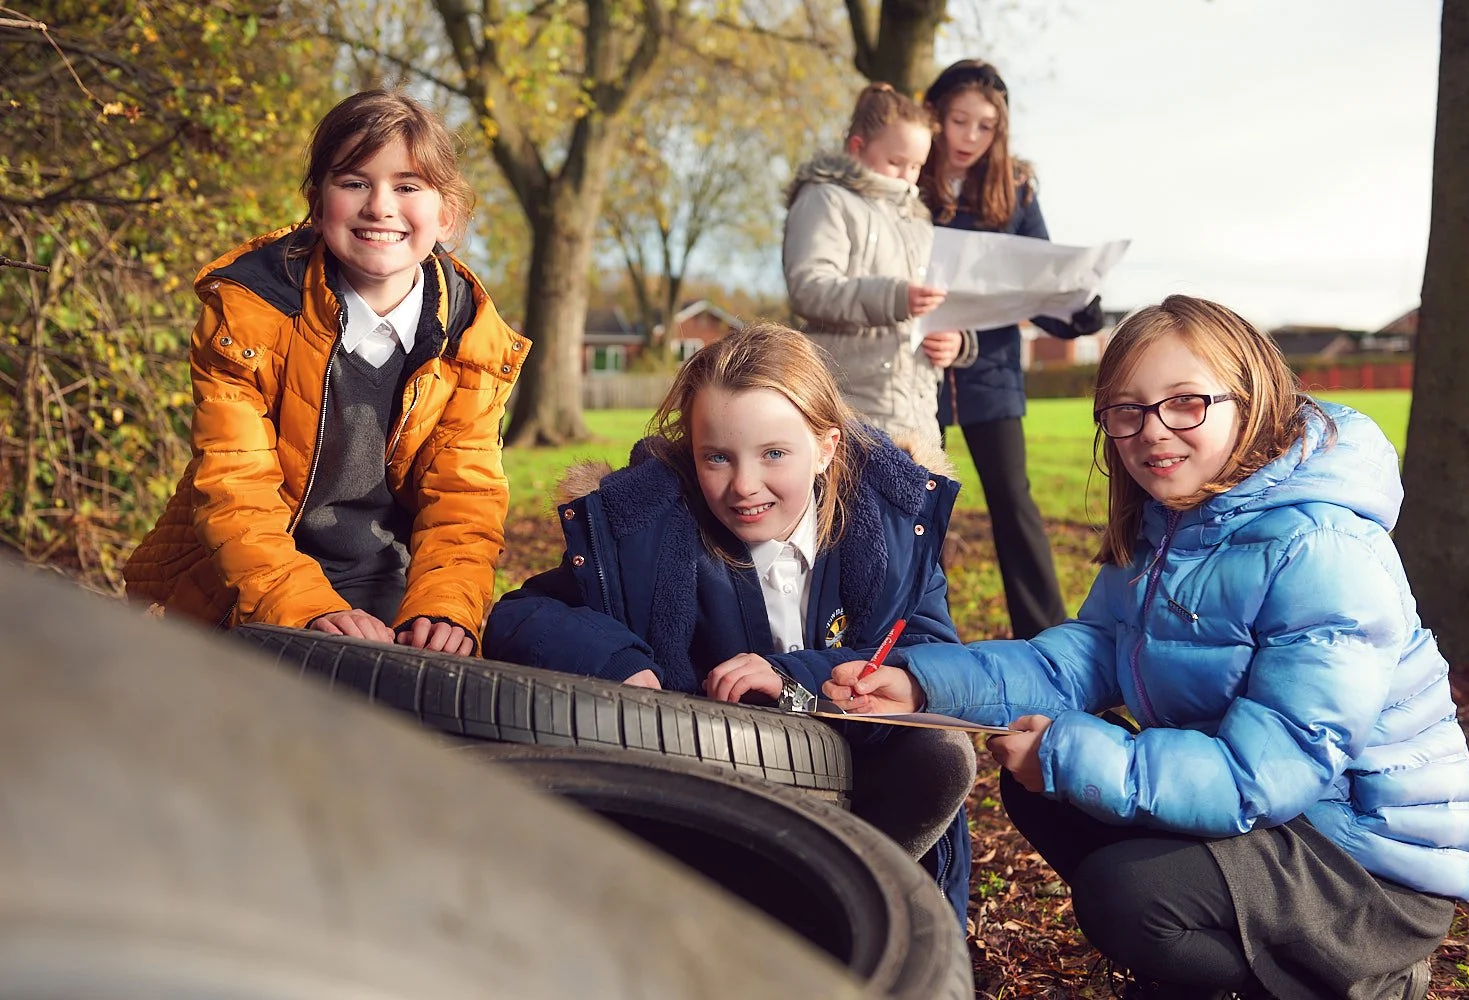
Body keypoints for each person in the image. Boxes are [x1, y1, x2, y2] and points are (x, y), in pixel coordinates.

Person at [824, 295, 1469, 999]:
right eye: (1127, 411)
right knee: (1039, 787)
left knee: (1125, 894)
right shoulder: (1168, 526)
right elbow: (1087, 656)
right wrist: (922, 685)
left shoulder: (1322, 549)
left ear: (1251, 402)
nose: (1152, 431)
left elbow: (1267, 774)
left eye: (1186, 403)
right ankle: (1221, 957)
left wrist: (1070, 753)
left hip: (1361, 864)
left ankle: (1342, 978)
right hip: (1274, 820)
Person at [483, 323, 976, 920]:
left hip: (858, 776)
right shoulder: (648, 530)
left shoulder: (892, 525)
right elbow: (519, 614)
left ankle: (857, 916)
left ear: (825, 447)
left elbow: (927, 653)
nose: (744, 486)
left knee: (941, 753)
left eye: (774, 454)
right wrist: (622, 663)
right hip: (722, 788)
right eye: (717, 457)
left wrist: (791, 676)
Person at [125, 89, 529, 656]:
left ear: (447, 215)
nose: (380, 206)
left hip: (386, 581)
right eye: (355, 182)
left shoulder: (471, 341)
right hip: (245, 578)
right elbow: (235, 489)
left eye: (408, 186)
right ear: (317, 204)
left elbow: (463, 501)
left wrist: (445, 607)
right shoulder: (249, 313)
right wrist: (307, 606)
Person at [918, 59, 1106, 639]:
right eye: (960, 121)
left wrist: (1079, 304)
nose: (971, 138)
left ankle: (1046, 638)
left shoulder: (1015, 189)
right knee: (919, 509)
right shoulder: (906, 182)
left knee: (1012, 500)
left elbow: (1039, 278)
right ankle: (920, 632)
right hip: (916, 372)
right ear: (934, 117)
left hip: (991, 372)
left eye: (986, 126)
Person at [782, 82, 968, 452]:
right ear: (857, 148)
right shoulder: (826, 199)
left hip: (918, 415)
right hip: (851, 410)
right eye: (896, 163)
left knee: (919, 510)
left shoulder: (919, 222)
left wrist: (956, 341)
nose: (907, 176)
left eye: (916, 166)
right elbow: (809, 287)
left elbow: (939, 303)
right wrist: (894, 296)